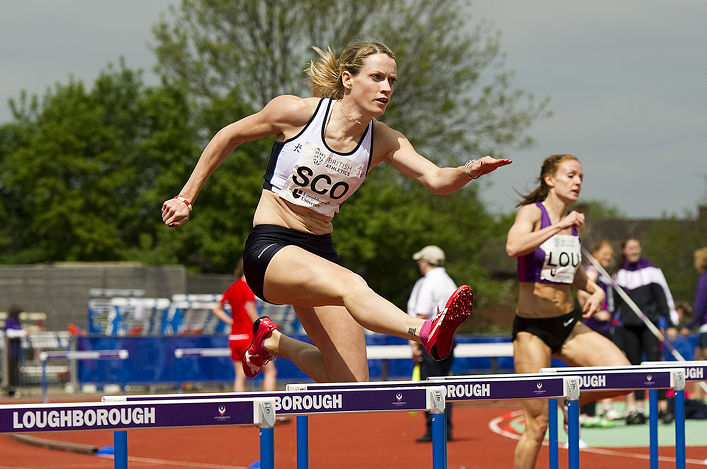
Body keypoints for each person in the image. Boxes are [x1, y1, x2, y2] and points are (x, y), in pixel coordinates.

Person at [161, 40, 511, 384]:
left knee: (349, 383)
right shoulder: (298, 113)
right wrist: (186, 197)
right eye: (376, 78)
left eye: (392, 81)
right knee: (352, 284)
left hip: (321, 253)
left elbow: (435, 178)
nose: (386, 88)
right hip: (271, 249)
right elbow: (228, 135)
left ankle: (273, 341)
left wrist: (468, 170)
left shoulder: (385, 140)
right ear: (347, 79)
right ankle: (424, 329)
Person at [505, 154, 631, 469]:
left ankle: (567, 401)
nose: (577, 182)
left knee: (624, 375)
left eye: (581, 178)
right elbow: (514, 246)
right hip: (532, 330)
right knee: (536, 426)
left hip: (568, 323)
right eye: (571, 175)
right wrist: (558, 225)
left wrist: (594, 288)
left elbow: (569, 270)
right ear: (550, 179)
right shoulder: (533, 213)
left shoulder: (572, 225)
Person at [613, 237, 679, 424]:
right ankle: (637, 409)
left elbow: (664, 298)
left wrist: (671, 323)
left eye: (636, 247)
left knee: (655, 364)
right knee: (633, 366)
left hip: (650, 324)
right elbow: (613, 304)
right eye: (630, 248)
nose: (634, 251)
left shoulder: (653, 271)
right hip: (628, 326)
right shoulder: (618, 275)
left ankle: (662, 407)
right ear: (624, 250)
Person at [407, 245, 458, 442]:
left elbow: (420, 316)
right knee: (444, 384)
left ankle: (434, 429)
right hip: (449, 339)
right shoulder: (449, 282)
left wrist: (414, 345)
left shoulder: (428, 283)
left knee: (430, 386)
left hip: (429, 341)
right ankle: (446, 428)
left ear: (425, 262)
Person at [211, 258, 278, 393]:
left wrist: (232, 322)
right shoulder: (247, 288)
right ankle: (269, 410)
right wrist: (267, 329)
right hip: (248, 337)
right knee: (270, 371)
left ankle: (239, 411)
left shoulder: (232, 288)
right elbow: (252, 313)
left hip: (235, 338)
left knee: (240, 376)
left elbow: (216, 309)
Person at [576, 239, 619, 426]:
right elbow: (581, 292)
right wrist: (594, 309)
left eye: (610, 253)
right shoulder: (592, 269)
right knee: (593, 367)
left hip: (605, 327)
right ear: (596, 251)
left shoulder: (603, 271)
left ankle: (603, 407)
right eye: (606, 252)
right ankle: (586, 411)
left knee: (604, 367)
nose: (609, 256)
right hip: (594, 326)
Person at [681, 246, 707, 401]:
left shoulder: (704, 279)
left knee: (702, 362)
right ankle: (697, 395)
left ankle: (698, 396)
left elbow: (700, 306)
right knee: (700, 361)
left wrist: (688, 326)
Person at [4, 305, 27, 397]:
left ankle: (14, 388)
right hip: (10, 351)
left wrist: (23, 333)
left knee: (16, 370)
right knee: (11, 371)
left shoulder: (18, 321)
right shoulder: (9, 321)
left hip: (17, 350)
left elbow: (20, 332)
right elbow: (9, 333)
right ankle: (10, 389)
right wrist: (24, 333)